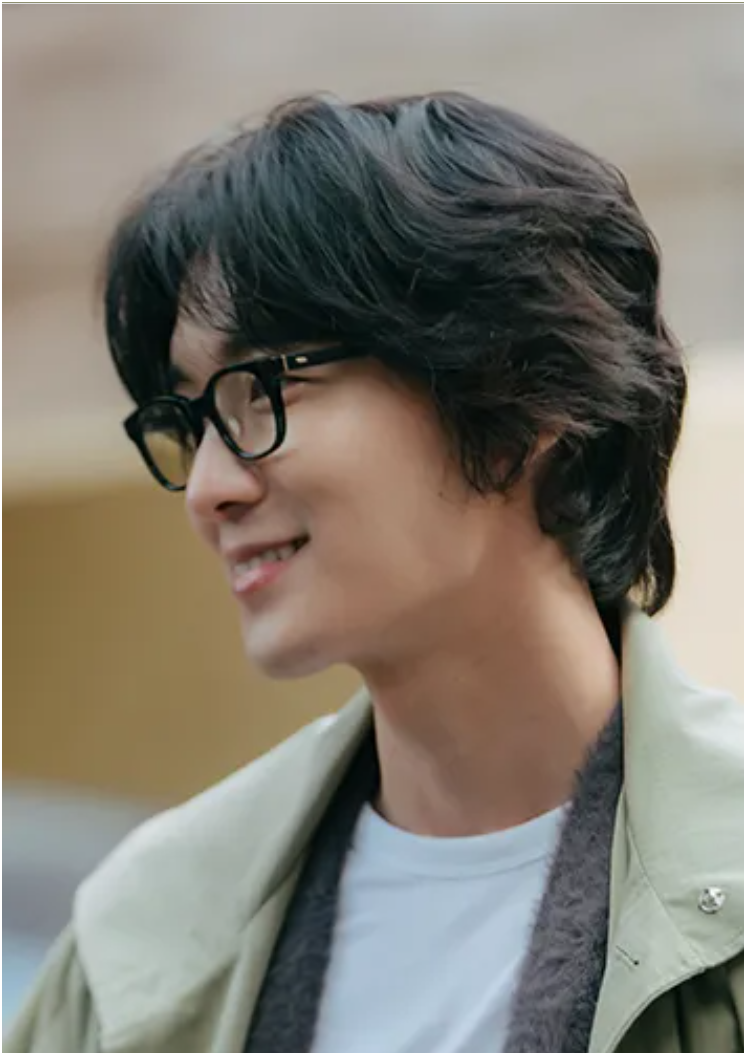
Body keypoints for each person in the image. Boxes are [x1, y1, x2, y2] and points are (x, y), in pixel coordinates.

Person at [3, 91, 742, 1055]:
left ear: (521, 396)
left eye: (268, 383)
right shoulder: (142, 933)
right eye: (190, 421)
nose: (209, 489)